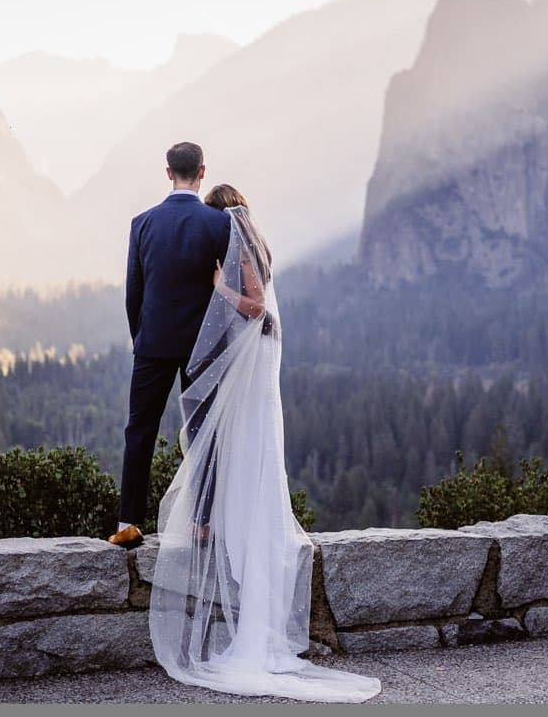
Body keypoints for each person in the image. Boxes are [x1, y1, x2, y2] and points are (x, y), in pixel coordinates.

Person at [146, 184, 382, 703]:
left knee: (238, 444)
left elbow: (254, 306)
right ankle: (227, 523)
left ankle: (227, 532)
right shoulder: (255, 240)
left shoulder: (238, 248)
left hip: (251, 367)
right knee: (242, 447)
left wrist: (218, 288)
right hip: (257, 363)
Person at [109, 142, 231, 551]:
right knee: (203, 431)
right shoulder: (218, 225)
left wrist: (140, 338)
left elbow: (134, 292)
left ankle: (128, 522)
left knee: (139, 430)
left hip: (153, 344)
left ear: (168, 173)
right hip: (203, 346)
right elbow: (226, 290)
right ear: (202, 172)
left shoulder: (142, 223)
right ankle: (202, 525)